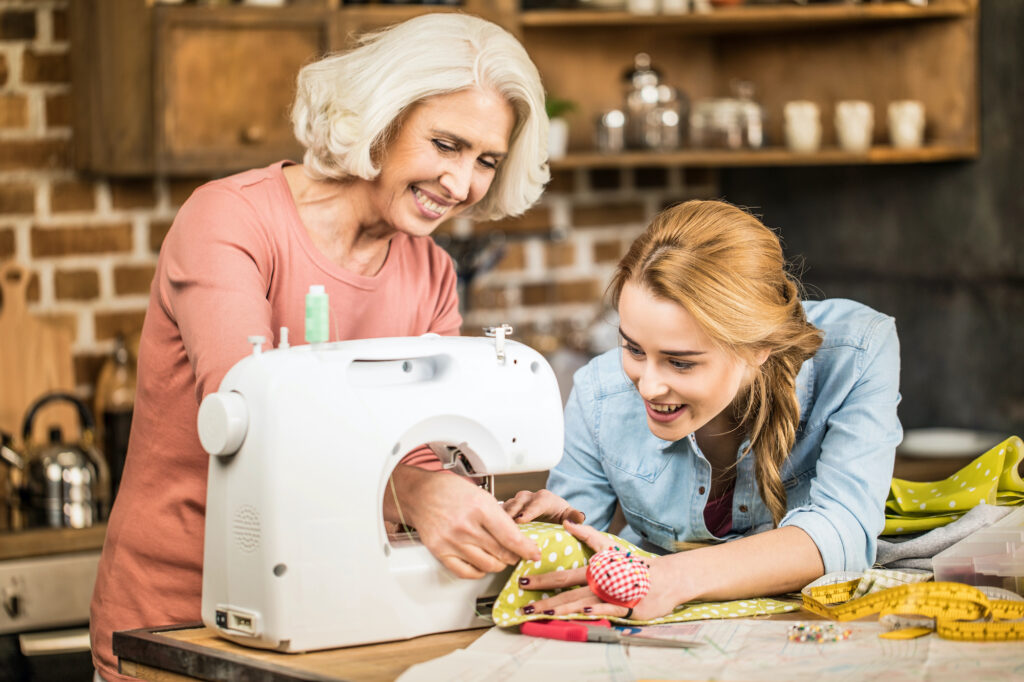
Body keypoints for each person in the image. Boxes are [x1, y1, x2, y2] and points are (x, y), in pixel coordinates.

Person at [90, 13, 551, 680]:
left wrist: (499, 505)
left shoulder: (431, 274)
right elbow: (248, 424)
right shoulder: (232, 221)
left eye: (486, 161)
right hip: (178, 625)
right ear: (382, 120)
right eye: (446, 144)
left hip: (334, 622)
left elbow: (422, 452)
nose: (461, 184)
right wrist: (412, 493)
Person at [504, 200, 902, 621]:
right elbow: (583, 554)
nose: (648, 385)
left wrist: (671, 578)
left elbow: (844, 531)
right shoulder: (598, 390)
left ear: (758, 347)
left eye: (680, 362)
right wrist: (552, 535)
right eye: (633, 348)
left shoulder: (857, 352)